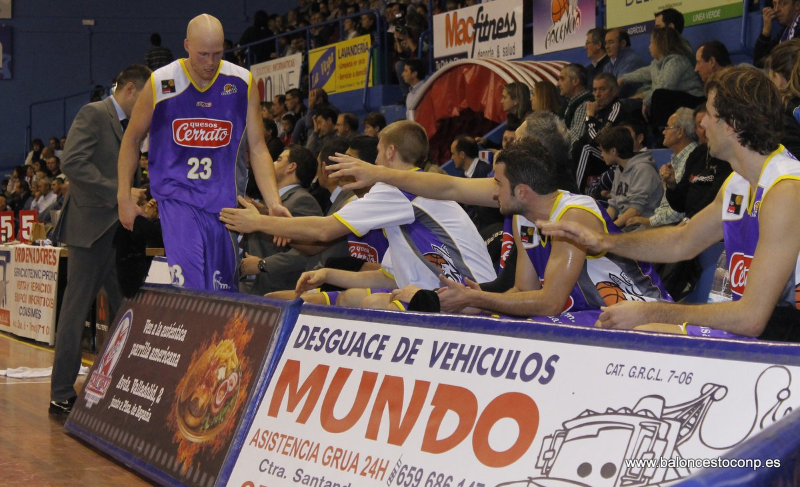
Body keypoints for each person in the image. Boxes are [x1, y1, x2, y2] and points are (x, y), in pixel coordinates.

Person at [538, 66, 800, 341]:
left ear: (732, 124)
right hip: (770, 326)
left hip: (785, 333)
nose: (703, 125)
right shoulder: (739, 183)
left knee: (645, 330)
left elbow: (751, 319)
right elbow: (682, 241)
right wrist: (605, 242)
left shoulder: (785, 191)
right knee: (636, 330)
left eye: (710, 116)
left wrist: (653, 312)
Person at [220, 120, 496, 296]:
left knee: (367, 306)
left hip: (471, 293)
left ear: (389, 152)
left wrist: (259, 222)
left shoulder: (396, 190)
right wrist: (329, 275)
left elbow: (325, 230)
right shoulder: (411, 189)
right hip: (464, 290)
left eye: (376, 151)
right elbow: (388, 278)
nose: (373, 159)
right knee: (357, 299)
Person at [118, 14, 289, 292]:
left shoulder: (241, 82)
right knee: (193, 290)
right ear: (187, 45)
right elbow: (132, 139)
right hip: (178, 200)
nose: (210, 62)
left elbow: (257, 147)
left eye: (217, 54)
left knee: (223, 293)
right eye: (203, 54)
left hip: (224, 206)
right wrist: (123, 196)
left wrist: (273, 204)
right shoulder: (162, 82)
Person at [50, 64, 151, 415]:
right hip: (90, 229)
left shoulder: (131, 127)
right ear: (129, 90)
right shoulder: (94, 114)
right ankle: (61, 391)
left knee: (126, 311)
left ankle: (118, 385)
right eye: (145, 96)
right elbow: (74, 164)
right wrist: (121, 193)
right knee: (76, 312)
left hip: (118, 230)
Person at [241, 146, 323, 295]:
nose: (271, 163)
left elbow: (308, 251)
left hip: (277, 289)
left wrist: (262, 265)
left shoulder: (303, 200)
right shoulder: (273, 201)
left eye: (278, 160)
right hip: (256, 286)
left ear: (291, 167)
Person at [627, 107, 698, 229]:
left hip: (677, 226)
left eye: (667, 127)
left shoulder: (692, 158)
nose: (663, 132)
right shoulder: (677, 158)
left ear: (680, 132)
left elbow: (679, 210)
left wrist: (650, 221)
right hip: (664, 222)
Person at [596, 126, 662, 229]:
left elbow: (636, 210)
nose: (601, 154)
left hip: (643, 228)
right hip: (627, 227)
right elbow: (614, 206)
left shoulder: (643, 169)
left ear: (613, 151)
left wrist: (610, 229)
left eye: (603, 150)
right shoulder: (619, 169)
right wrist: (602, 226)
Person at [754, 0, 800, 68]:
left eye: (782, 3)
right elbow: (759, 62)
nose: (776, 10)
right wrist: (766, 31)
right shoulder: (785, 32)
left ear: (797, 5)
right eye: (774, 4)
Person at [603, 28, 644, 98]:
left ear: (623, 43)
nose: (607, 47)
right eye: (606, 43)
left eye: (611, 42)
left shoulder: (631, 60)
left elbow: (621, 90)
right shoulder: (607, 66)